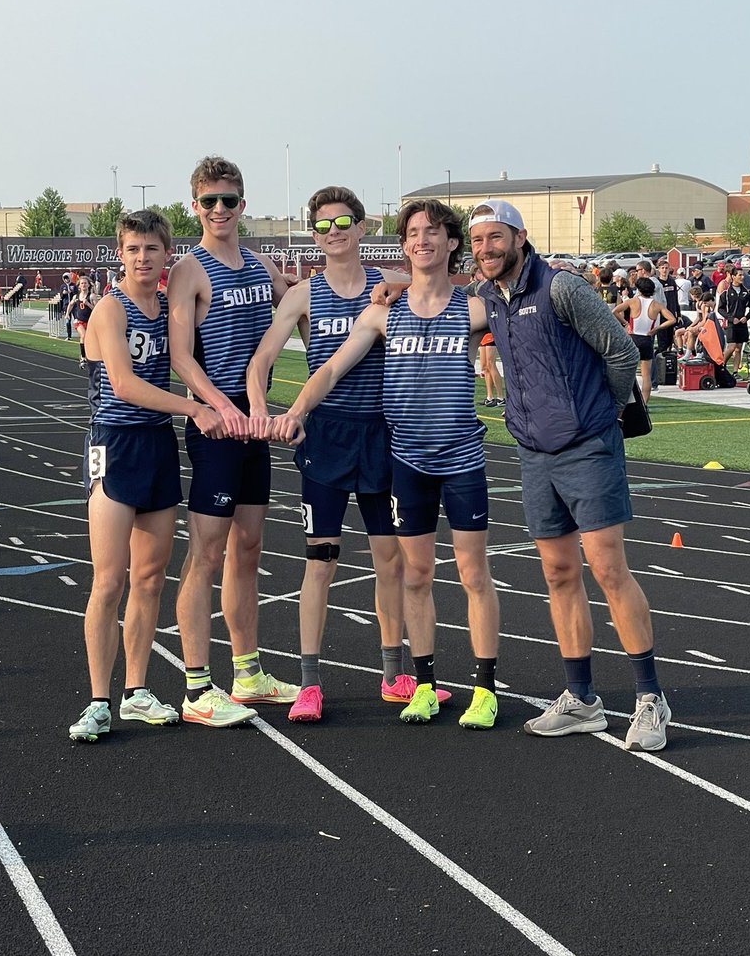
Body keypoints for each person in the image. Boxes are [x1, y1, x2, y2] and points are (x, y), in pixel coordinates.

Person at [271, 198, 500, 730]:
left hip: (460, 456)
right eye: (413, 233)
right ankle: (417, 684)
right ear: (403, 245)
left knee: (471, 573)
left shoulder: (474, 309)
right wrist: (295, 411)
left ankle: (484, 689)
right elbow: (329, 371)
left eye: (433, 232)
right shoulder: (381, 311)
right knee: (413, 574)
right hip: (404, 459)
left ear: (451, 243)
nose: (422, 240)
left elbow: (523, 287)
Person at [467, 199, 673, 753]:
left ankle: (650, 699)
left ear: (519, 236)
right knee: (559, 573)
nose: (485, 249)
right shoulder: (490, 296)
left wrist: (598, 412)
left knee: (607, 568)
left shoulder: (561, 288)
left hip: (587, 445)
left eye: (495, 238)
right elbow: (430, 296)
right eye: (478, 240)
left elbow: (621, 351)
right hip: (533, 451)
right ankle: (582, 699)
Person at [245, 185, 441, 723]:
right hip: (326, 440)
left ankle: (394, 674)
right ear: (315, 235)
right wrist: (264, 415)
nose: (334, 233)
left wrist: (401, 283)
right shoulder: (303, 296)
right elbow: (258, 363)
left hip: (383, 437)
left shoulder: (390, 288)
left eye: (344, 222)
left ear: (362, 227)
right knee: (320, 562)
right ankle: (309, 683)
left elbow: (442, 291)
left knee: (390, 563)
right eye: (324, 225)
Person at [68, 209, 222, 742]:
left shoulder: (167, 309)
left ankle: (136, 692)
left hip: (157, 446)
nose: (141, 258)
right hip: (115, 445)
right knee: (108, 580)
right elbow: (125, 386)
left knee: (150, 578)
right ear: (120, 253)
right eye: (132, 249)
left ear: (166, 255)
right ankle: (97, 700)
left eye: (151, 250)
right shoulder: (111, 310)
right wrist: (194, 408)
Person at [168, 154, 300, 726]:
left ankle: (248, 672)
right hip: (221, 428)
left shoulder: (261, 262)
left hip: (255, 428)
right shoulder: (188, 270)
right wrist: (224, 408)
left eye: (229, 200)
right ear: (195, 206)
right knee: (205, 554)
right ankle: (198, 685)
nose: (219, 210)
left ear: (243, 204)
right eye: (209, 201)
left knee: (248, 550)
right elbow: (179, 358)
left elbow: (300, 306)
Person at [620, 276, 675, 403]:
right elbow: (672, 319)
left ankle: (626, 402)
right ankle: (644, 403)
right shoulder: (656, 305)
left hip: (633, 338)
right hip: (646, 339)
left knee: (628, 373)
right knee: (646, 376)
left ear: (639, 289)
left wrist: (626, 324)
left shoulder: (633, 301)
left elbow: (615, 311)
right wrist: (657, 329)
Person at [719, 267, 750, 373]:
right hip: (731, 323)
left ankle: (735, 372)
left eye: (743, 275)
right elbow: (720, 309)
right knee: (731, 346)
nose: (742, 277)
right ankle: (721, 365)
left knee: (738, 348)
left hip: (742, 323)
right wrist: (731, 318)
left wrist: (746, 317)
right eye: (739, 275)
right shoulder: (726, 292)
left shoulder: (747, 292)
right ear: (733, 276)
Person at [71, 275, 98, 368]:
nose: (83, 285)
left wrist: (88, 304)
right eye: (82, 283)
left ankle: (89, 356)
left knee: (90, 340)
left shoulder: (92, 296)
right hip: (79, 321)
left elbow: (97, 309)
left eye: (85, 283)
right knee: (83, 335)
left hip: (90, 322)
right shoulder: (76, 296)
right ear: (79, 286)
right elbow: (70, 304)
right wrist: (67, 314)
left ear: (88, 285)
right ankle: (83, 357)